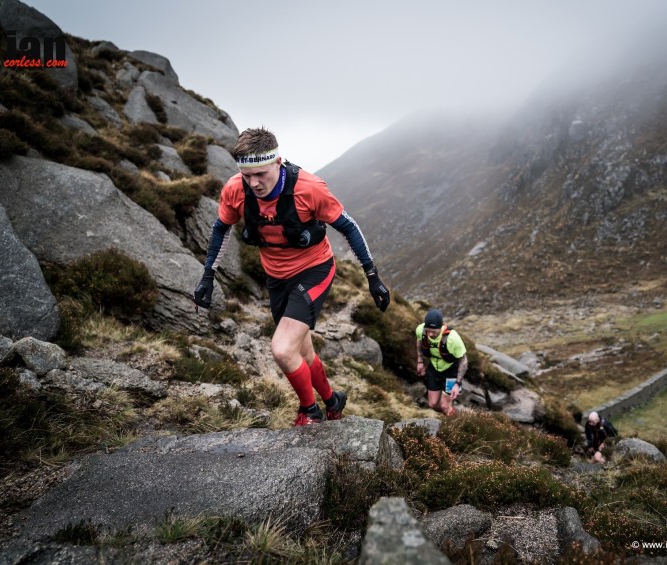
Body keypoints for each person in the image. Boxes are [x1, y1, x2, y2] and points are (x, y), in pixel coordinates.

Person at [193, 128, 391, 427]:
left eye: (261, 174)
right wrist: (208, 275)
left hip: (314, 271)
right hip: (276, 277)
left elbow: (349, 227)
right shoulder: (236, 189)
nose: (254, 183)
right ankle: (333, 401)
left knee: (283, 349)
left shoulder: (309, 189)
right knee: (302, 351)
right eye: (247, 175)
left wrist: (372, 275)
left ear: (277, 162)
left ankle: (310, 412)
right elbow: (221, 228)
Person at [415, 309, 468, 416]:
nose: (430, 334)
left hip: (451, 371)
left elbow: (464, 360)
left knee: (445, 406)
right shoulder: (421, 330)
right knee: (433, 404)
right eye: (428, 330)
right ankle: (450, 414)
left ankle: (452, 419)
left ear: (441, 327)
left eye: (434, 331)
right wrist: (420, 361)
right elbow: (419, 341)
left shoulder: (452, 338)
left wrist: (457, 384)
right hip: (434, 369)